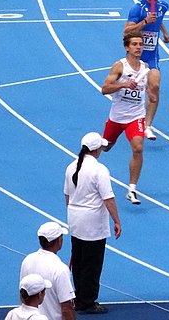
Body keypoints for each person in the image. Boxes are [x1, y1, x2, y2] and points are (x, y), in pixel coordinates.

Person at [64, 132, 122, 315]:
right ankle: (87, 302)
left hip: (75, 220)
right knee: (92, 263)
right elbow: (108, 199)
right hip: (93, 224)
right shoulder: (99, 170)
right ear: (97, 150)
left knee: (79, 261)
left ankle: (80, 296)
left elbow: (67, 195)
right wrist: (117, 220)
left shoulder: (71, 167)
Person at [100, 34, 152, 205]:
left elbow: (145, 88)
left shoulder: (145, 67)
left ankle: (132, 189)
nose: (138, 47)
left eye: (141, 44)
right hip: (116, 117)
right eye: (135, 44)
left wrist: (150, 93)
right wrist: (123, 84)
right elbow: (105, 89)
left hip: (136, 116)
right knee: (105, 147)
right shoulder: (119, 66)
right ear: (127, 47)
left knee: (138, 148)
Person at [123, 0, 169, 141]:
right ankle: (128, 120)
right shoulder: (137, 9)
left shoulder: (163, 6)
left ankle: (147, 126)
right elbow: (126, 32)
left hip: (152, 58)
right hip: (135, 59)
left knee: (155, 86)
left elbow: (159, 19)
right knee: (131, 93)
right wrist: (144, 22)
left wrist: (164, 33)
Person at [20, 222, 75, 320]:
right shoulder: (60, 269)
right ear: (59, 241)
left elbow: (24, 294)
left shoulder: (27, 260)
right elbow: (66, 308)